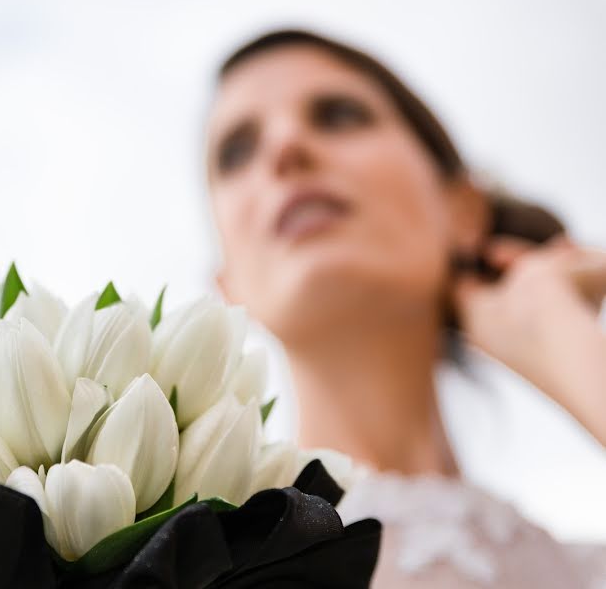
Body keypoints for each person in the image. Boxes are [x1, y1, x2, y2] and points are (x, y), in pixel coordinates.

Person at [205, 29, 606, 587]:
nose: (284, 147)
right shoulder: (198, 562)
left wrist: (561, 332)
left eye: (339, 115)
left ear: (462, 211)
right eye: (236, 152)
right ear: (229, 284)